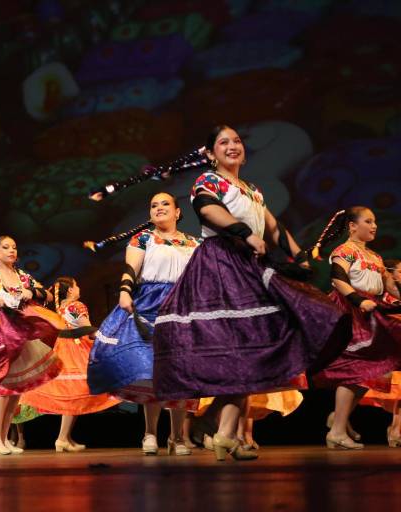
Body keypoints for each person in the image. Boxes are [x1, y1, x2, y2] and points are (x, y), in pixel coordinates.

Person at [152, 125, 350, 461]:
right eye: (223, 142)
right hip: (220, 266)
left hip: (247, 265)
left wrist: (298, 254)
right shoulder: (208, 181)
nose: (232, 146)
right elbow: (208, 209)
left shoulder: (253, 190)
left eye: (237, 141)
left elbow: (272, 226)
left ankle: (223, 432)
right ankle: (217, 426)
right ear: (211, 153)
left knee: (253, 349)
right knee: (243, 348)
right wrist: (244, 233)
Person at [88, 192, 200, 456]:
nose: (159, 208)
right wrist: (124, 291)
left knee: (181, 372)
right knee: (151, 371)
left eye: (165, 204)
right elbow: (131, 269)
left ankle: (177, 437)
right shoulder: (143, 238)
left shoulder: (195, 243)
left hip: (182, 307)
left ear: (177, 212)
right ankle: (150, 433)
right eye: (153, 205)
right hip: (150, 305)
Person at [310, 209, 401, 449]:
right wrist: (358, 301)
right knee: (354, 368)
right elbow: (338, 277)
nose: (374, 226)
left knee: (370, 371)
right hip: (350, 308)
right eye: (368, 221)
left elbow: (389, 285)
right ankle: (337, 430)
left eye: (375, 222)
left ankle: (338, 421)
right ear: (352, 226)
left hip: (370, 308)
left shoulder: (375, 256)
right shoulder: (345, 250)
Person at [0, 235, 63, 455]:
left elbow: (48, 295)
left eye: (14, 247)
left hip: (20, 331)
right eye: (6, 247)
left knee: (15, 387)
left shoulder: (23, 276)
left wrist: (32, 292)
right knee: (2, 384)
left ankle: (4, 438)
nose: (11, 250)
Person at [21, 276, 120, 452]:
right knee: (77, 391)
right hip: (76, 350)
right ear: (71, 290)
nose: (79, 288)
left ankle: (64, 438)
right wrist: (109, 338)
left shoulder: (62, 307)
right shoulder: (76, 306)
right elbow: (87, 329)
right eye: (77, 285)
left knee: (72, 392)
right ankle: (62, 438)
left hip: (64, 348)